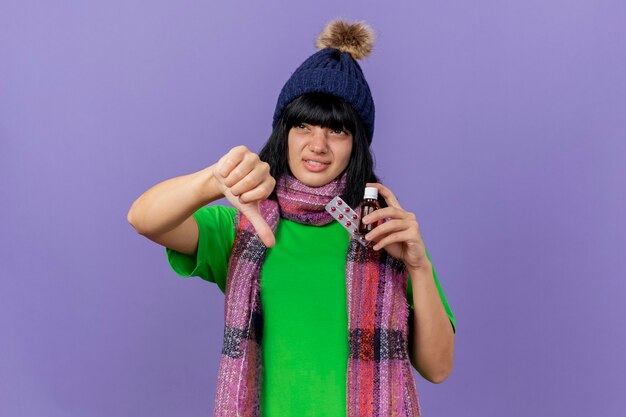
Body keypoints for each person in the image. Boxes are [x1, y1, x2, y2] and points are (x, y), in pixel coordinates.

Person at [128, 20, 455, 417]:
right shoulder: (244, 228)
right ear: (284, 132)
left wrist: (418, 267)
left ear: (357, 144)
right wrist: (212, 181)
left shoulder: (387, 233)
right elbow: (144, 218)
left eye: (337, 130)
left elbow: (438, 369)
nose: (317, 145)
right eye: (303, 125)